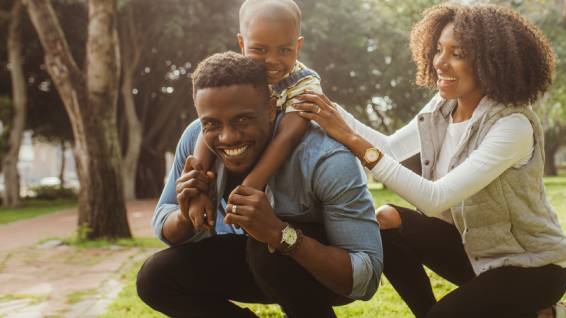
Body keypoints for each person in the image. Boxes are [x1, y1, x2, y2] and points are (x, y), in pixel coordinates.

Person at [296, 3, 566, 317]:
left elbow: (435, 198)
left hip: (531, 267)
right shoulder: (443, 105)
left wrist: (351, 140)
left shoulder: (512, 125)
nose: (440, 62)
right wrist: (324, 106)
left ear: (492, 63)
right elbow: (392, 149)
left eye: (458, 54)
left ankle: (541, 309)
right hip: (474, 253)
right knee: (386, 219)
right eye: (439, 49)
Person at [136, 51, 382, 318]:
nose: (228, 137)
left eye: (242, 119)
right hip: (255, 264)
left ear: (269, 108)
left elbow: (365, 278)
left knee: (267, 253)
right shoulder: (196, 137)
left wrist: (280, 234)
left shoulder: (326, 156)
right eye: (212, 124)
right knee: (156, 279)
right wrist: (185, 217)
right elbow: (164, 221)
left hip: (322, 273)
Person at [185, 0, 324, 232]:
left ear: (298, 46)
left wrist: (251, 185)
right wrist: (197, 189)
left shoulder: (304, 83)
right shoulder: (236, 76)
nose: (271, 60)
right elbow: (207, 127)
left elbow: (288, 134)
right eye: (259, 49)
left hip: (278, 180)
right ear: (241, 43)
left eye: (284, 50)